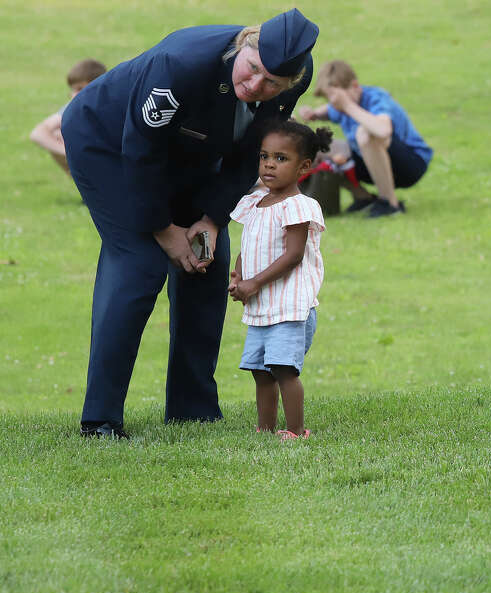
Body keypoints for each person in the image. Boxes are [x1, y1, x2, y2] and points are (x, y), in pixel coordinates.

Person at [61, 9, 320, 438]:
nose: (256, 86)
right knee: (138, 264)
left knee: (207, 259)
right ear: (245, 44)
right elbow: (140, 150)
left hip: (187, 149)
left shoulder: (296, 73)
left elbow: (253, 147)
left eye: (272, 82)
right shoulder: (180, 64)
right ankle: (101, 419)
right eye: (253, 69)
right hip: (107, 145)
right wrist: (165, 231)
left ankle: (192, 410)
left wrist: (211, 220)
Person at [228, 120, 328, 440]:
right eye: (264, 156)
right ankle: (266, 428)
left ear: (304, 166)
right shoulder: (254, 203)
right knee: (260, 370)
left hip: (289, 306)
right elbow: (250, 245)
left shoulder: (299, 206)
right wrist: (240, 274)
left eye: (281, 158)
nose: (270, 164)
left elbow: (293, 255)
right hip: (262, 306)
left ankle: (296, 430)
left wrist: (254, 283)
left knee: (284, 369)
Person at [298, 60, 432, 217]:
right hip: (370, 165)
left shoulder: (376, 98)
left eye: (336, 98)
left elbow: (383, 130)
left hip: (411, 165)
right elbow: (327, 111)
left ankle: (390, 204)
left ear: (354, 86)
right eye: (330, 98)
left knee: (366, 134)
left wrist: (347, 105)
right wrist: (313, 114)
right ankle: (364, 198)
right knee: (314, 144)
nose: (334, 103)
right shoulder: (339, 106)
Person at [29, 59, 107, 174]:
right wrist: (67, 152)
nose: (73, 95)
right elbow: (37, 133)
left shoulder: (112, 104)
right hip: (91, 159)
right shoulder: (74, 107)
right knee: (57, 134)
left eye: (80, 89)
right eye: (73, 90)